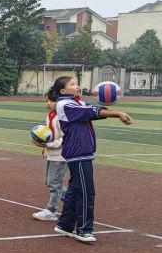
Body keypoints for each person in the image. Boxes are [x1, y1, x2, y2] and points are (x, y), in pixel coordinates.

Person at [50, 76, 134, 243]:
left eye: (76, 83)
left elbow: (93, 109)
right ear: (62, 91)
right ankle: (83, 230)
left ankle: (65, 225)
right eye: (72, 84)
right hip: (78, 153)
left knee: (75, 189)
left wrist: (110, 111)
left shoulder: (76, 102)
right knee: (86, 191)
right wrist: (117, 113)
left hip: (81, 152)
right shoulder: (65, 104)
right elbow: (90, 112)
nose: (77, 86)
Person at [32, 91, 67, 221]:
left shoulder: (62, 118)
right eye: (46, 101)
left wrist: (50, 144)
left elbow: (66, 138)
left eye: (51, 101)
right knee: (50, 181)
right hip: (52, 154)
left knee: (54, 183)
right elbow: (49, 134)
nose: (48, 103)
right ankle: (73, 202)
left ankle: (51, 210)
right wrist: (43, 143)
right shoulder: (50, 116)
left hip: (60, 155)